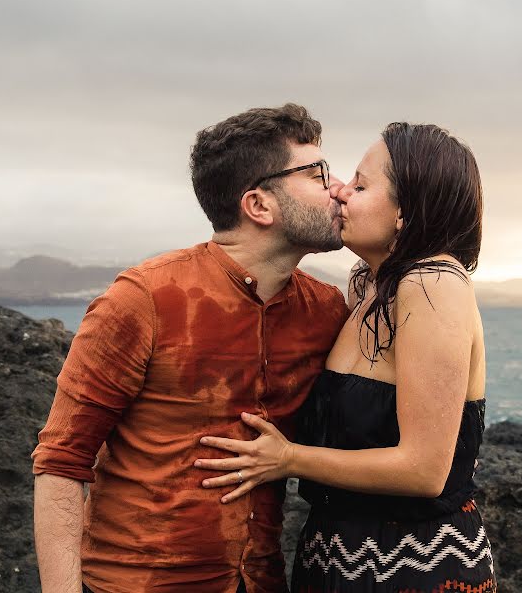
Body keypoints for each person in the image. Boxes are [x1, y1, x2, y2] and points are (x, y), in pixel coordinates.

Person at [31, 103, 351, 593]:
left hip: (262, 581)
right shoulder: (145, 300)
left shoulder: (326, 311)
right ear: (258, 205)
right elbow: (61, 462)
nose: (338, 187)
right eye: (316, 172)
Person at [196, 122, 497, 592]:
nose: (338, 192)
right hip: (332, 554)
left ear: (406, 212)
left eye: (360, 184)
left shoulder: (433, 284)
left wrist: (289, 459)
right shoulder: (367, 283)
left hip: (413, 564)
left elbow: (424, 470)